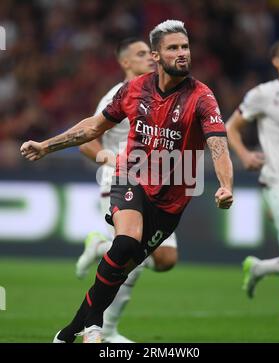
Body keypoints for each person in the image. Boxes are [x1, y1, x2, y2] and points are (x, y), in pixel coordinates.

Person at [20, 19, 233, 343]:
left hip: (173, 197)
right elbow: (92, 128)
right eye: (173, 48)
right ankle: (92, 330)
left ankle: (75, 328)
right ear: (157, 56)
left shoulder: (202, 97)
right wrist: (46, 146)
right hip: (130, 175)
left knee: (124, 267)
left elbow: (219, 144)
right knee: (126, 242)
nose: (182, 54)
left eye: (185, 47)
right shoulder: (133, 90)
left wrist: (225, 185)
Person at [76, 37, 179, 343]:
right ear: (124, 62)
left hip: (156, 184)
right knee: (130, 254)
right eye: (141, 54)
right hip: (120, 181)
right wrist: (105, 157)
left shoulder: (158, 92)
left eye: (151, 52)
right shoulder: (117, 95)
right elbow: (86, 137)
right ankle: (104, 331)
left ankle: (99, 247)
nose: (150, 57)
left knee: (165, 259)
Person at [226, 36, 279, 343]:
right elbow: (231, 127)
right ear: (277, 61)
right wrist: (243, 155)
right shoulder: (263, 95)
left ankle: (260, 268)